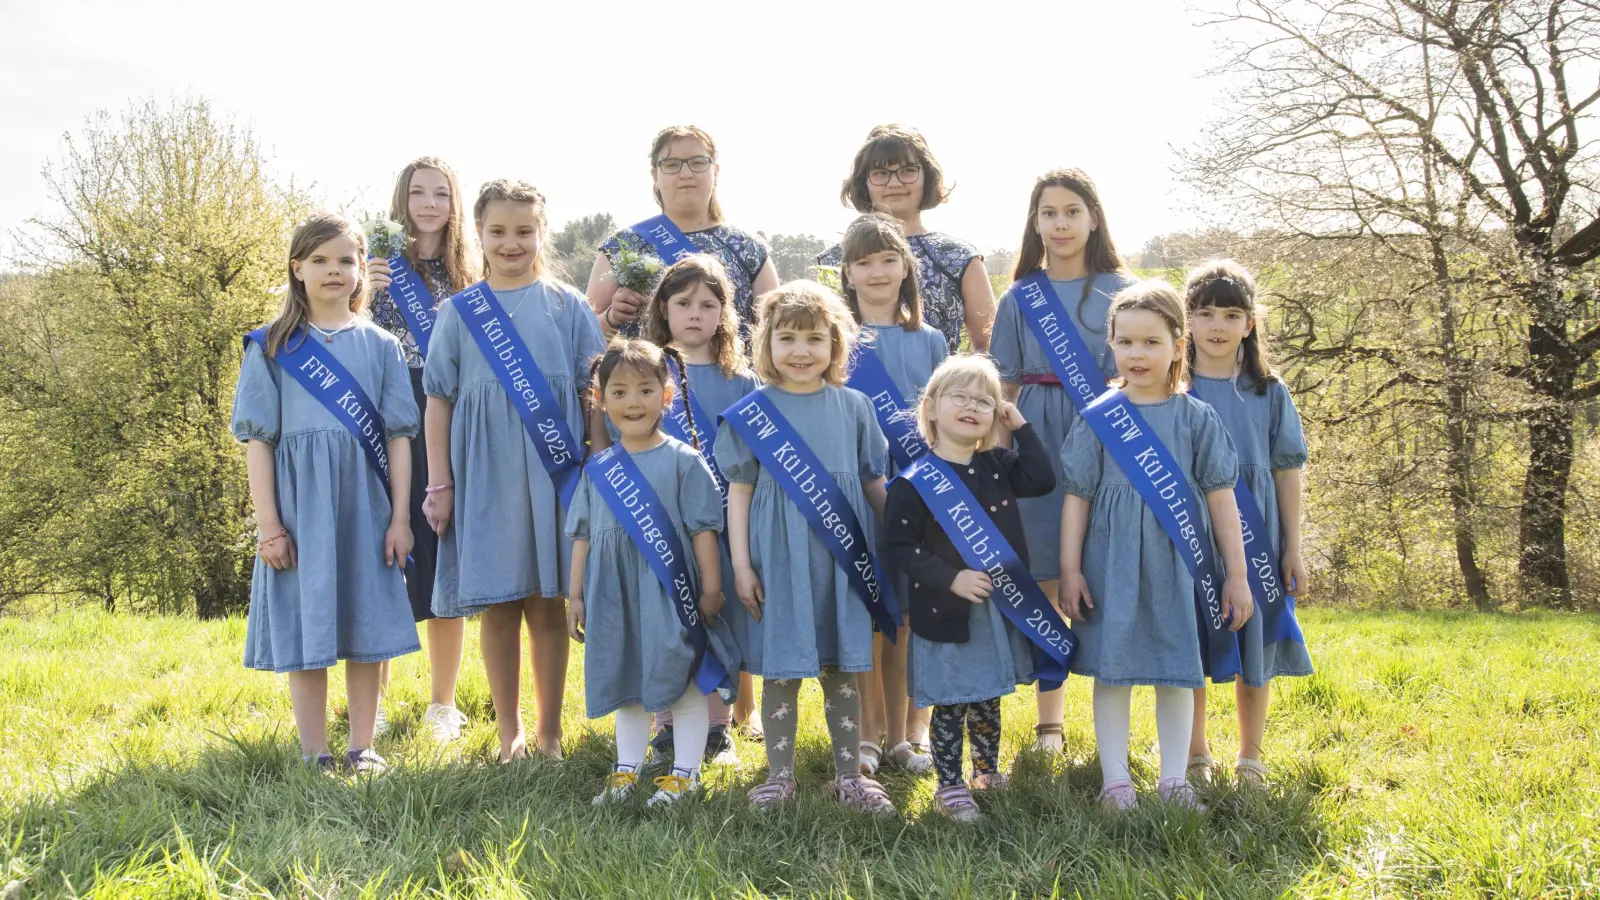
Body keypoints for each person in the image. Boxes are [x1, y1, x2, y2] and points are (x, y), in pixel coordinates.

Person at [422, 179, 606, 763]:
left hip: (556, 477)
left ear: (542, 233)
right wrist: (439, 483)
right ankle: (510, 735)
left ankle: (550, 733)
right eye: (498, 231)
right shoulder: (457, 313)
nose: (511, 242)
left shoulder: (568, 306)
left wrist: (600, 471)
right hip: (484, 476)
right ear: (477, 232)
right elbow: (438, 402)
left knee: (549, 602)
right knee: (500, 605)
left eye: (524, 231)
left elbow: (592, 393)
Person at [231, 212, 421, 774]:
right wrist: (269, 525)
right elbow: (258, 443)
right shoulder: (271, 346)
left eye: (345, 260)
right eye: (319, 260)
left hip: (367, 503)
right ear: (297, 269)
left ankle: (362, 746)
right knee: (306, 619)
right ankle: (314, 751)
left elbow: (400, 436)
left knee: (367, 622)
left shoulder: (383, 346)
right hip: (298, 508)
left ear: (363, 269)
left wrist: (401, 518)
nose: (333, 271)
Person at [1057, 280, 1254, 811]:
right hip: (1109, 564)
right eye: (1125, 342)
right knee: (1113, 671)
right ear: (1112, 345)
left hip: (1180, 565)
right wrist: (1070, 569)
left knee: (1176, 668)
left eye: (1150, 342)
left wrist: (1236, 575)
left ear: (1177, 345)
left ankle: (1174, 780)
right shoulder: (1098, 417)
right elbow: (1077, 498)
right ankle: (1115, 781)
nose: (1137, 354)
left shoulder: (1196, 418)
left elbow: (1221, 502)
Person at [714, 282, 896, 815]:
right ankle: (780, 775)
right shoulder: (752, 413)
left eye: (815, 338)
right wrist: (742, 566)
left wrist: (903, 544)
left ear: (836, 346)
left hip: (842, 564)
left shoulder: (856, 407)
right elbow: (739, 495)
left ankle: (848, 776)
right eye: (787, 338)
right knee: (782, 668)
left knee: (841, 667)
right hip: (778, 560)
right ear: (766, 344)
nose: (800, 350)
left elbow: (873, 484)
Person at [989, 167, 1136, 752]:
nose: (1060, 223)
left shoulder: (1123, 287)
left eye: (1072, 211)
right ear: (1035, 223)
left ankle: (1112, 709)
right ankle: (1050, 719)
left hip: (1110, 433)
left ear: (1093, 217)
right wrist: (1002, 459)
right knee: (1048, 572)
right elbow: (1002, 384)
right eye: (1048, 213)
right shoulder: (1021, 296)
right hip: (1040, 436)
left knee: (1103, 566)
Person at [568, 338, 740, 806]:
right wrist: (575, 594)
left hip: (669, 594)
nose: (632, 402)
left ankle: (685, 773)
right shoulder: (598, 469)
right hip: (613, 595)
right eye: (618, 392)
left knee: (680, 682)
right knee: (628, 685)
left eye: (644, 390)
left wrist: (710, 589)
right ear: (600, 401)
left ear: (666, 396)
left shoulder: (684, 460)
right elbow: (582, 534)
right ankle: (627, 772)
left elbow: (704, 530)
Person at [885, 355, 1056, 821]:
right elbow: (900, 547)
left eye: (984, 401)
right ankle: (949, 784)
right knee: (952, 700)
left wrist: (1017, 423)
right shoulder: (913, 483)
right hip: (944, 612)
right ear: (931, 408)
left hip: (993, 611)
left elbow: (1043, 478)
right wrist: (951, 577)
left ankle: (985, 770)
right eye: (958, 397)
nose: (971, 406)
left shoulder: (997, 465)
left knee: (986, 695)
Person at [1182, 260, 1314, 788]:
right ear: (1186, 320)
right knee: (1191, 637)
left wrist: (1292, 548)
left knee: (1254, 638)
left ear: (1250, 323)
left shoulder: (1269, 391)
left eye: (1231, 314)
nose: (1217, 325)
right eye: (1205, 312)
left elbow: (1287, 472)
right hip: (1190, 528)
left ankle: (1251, 758)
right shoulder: (1175, 389)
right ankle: (1194, 753)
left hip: (1259, 530)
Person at [365, 156, 479, 742]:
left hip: (448, 414)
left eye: (441, 193)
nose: (429, 203)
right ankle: (374, 702)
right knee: (388, 547)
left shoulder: (470, 274)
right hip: (388, 410)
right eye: (418, 192)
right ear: (401, 199)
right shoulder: (374, 264)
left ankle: (442, 703)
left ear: (455, 203)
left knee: (443, 546)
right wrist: (364, 294)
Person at [636, 255, 762, 769]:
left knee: (717, 618)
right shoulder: (646, 370)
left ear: (725, 314)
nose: (695, 313)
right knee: (666, 621)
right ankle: (665, 726)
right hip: (660, 518)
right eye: (683, 303)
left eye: (708, 304)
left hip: (725, 523)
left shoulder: (743, 381)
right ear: (663, 308)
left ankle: (717, 727)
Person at [838, 212, 946, 776]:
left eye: (888, 259)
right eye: (863, 262)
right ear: (847, 274)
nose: (877, 271)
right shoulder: (836, 340)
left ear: (906, 268)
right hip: (855, 498)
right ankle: (868, 734)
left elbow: (942, 420)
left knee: (908, 618)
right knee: (868, 615)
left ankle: (910, 733)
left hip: (919, 500)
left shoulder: (929, 341)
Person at [816, 124, 996, 354]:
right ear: (865, 182)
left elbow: (988, 346)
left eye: (907, 170)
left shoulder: (960, 258)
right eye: (880, 173)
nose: (894, 183)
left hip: (939, 389)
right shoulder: (833, 260)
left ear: (927, 177)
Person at [587, 125, 778, 337]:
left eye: (698, 163)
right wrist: (612, 317)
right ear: (655, 175)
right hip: (644, 370)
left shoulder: (749, 250)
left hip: (729, 369)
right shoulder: (620, 246)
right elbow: (583, 334)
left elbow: (774, 332)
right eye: (671, 164)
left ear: (715, 171)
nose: (686, 174)